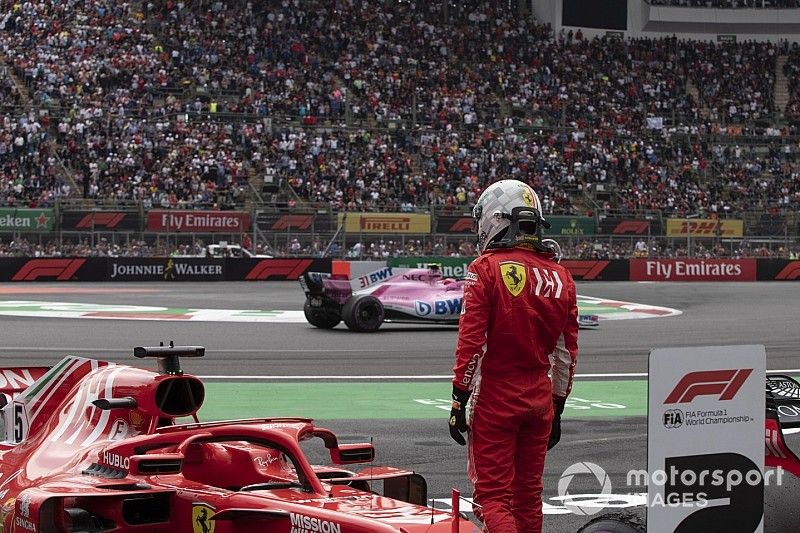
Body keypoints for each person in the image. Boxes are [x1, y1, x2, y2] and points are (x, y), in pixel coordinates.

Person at [449, 179, 579, 533]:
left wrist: (459, 397)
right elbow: (566, 354)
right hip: (540, 402)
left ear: (494, 219)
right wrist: (558, 407)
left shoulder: (485, 268)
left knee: (492, 498)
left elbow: (471, 342)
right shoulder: (562, 277)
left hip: (496, 400)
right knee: (527, 497)